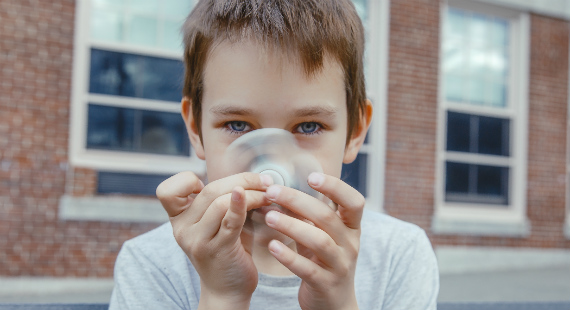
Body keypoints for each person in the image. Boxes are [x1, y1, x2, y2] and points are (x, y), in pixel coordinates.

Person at [109, 0, 439, 309]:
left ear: (355, 131)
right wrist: (222, 297)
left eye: (308, 126)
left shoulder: (399, 255)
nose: (271, 166)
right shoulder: (151, 265)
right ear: (195, 128)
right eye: (237, 124)